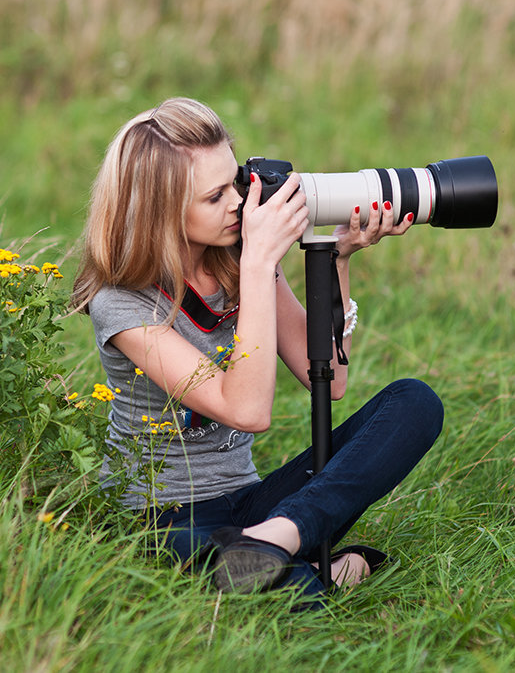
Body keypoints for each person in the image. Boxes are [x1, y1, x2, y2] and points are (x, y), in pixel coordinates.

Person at [72, 97, 443, 601]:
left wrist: (334, 258)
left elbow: (331, 379)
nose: (237, 203)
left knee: (415, 402)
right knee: (249, 588)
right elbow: (245, 411)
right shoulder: (122, 303)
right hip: (163, 519)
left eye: (235, 182)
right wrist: (260, 261)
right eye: (214, 196)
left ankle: (280, 540)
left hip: (253, 506)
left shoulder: (241, 261)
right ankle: (320, 566)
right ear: (160, 209)